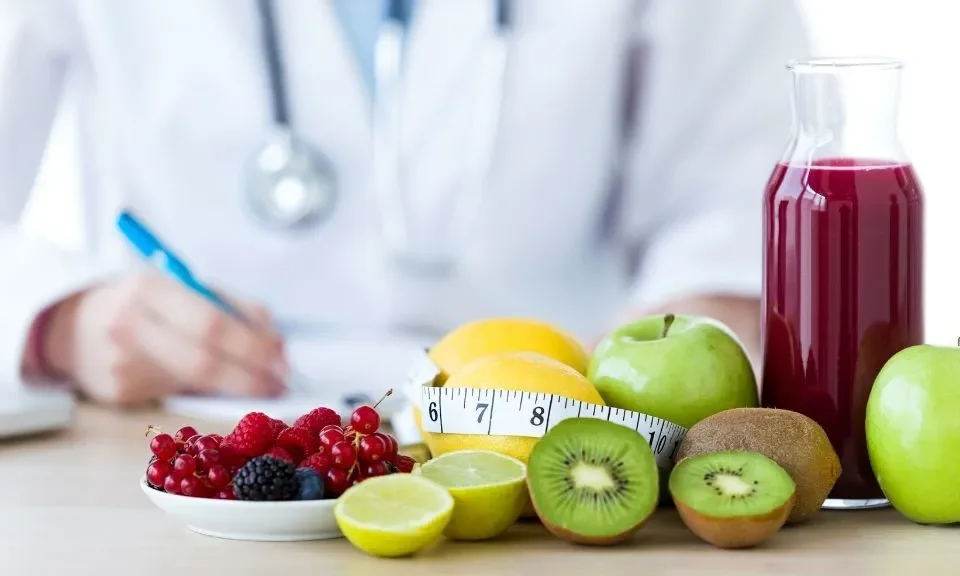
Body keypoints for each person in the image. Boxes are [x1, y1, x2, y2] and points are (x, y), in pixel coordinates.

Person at [0, 0, 811, 407]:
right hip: (189, 445)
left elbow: (735, 203)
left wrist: (699, 320)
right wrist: (57, 318)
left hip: (543, 444)